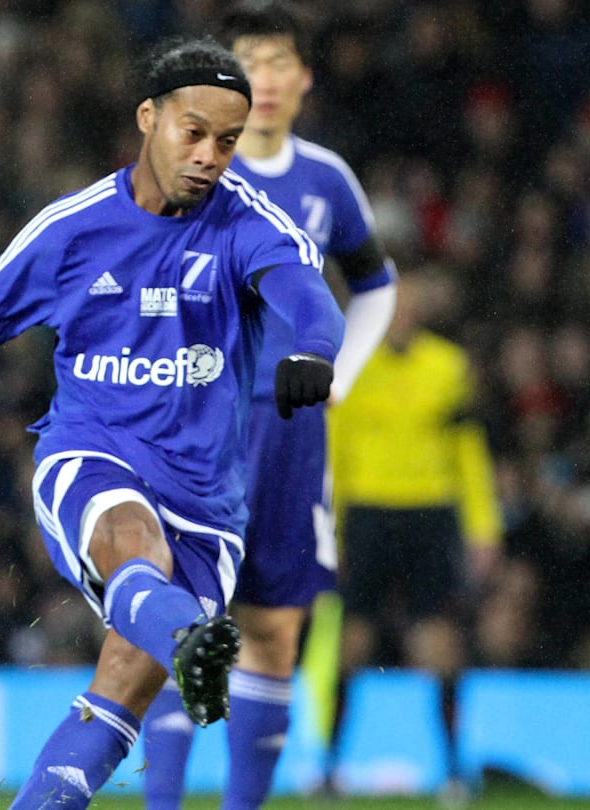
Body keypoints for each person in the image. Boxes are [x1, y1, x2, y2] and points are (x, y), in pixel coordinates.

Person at [0, 37, 345, 810]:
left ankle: (148, 673)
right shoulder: (71, 230)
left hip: (209, 505)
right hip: (93, 458)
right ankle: (183, 638)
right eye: (195, 131)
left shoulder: (246, 222)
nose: (212, 155)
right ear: (148, 117)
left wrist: (313, 348)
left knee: (112, 705)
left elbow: (307, 292)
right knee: (133, 543)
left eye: (229, 140)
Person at [137, 5, 397, 809]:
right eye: (253, 61)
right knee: (185, 631)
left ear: (304, 77)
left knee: (276, 631)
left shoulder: (326, 180)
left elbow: (377, 283)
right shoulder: (190, 171)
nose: (271, 78)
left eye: (283, 61)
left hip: (292, 436)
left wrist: (340, 372)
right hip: (197, 430)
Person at [325, 268, 502, 797]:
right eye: (391, 309)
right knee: (351, 644)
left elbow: (468, 452)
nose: (400, 317)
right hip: (368, 515)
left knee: (440, 643)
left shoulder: (448, 367)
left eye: (408, 308)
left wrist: (483, 528)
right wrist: (327, 530)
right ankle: (331, 769)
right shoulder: (349, 368)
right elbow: (333, 453)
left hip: (430, 516)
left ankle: (452, 770)